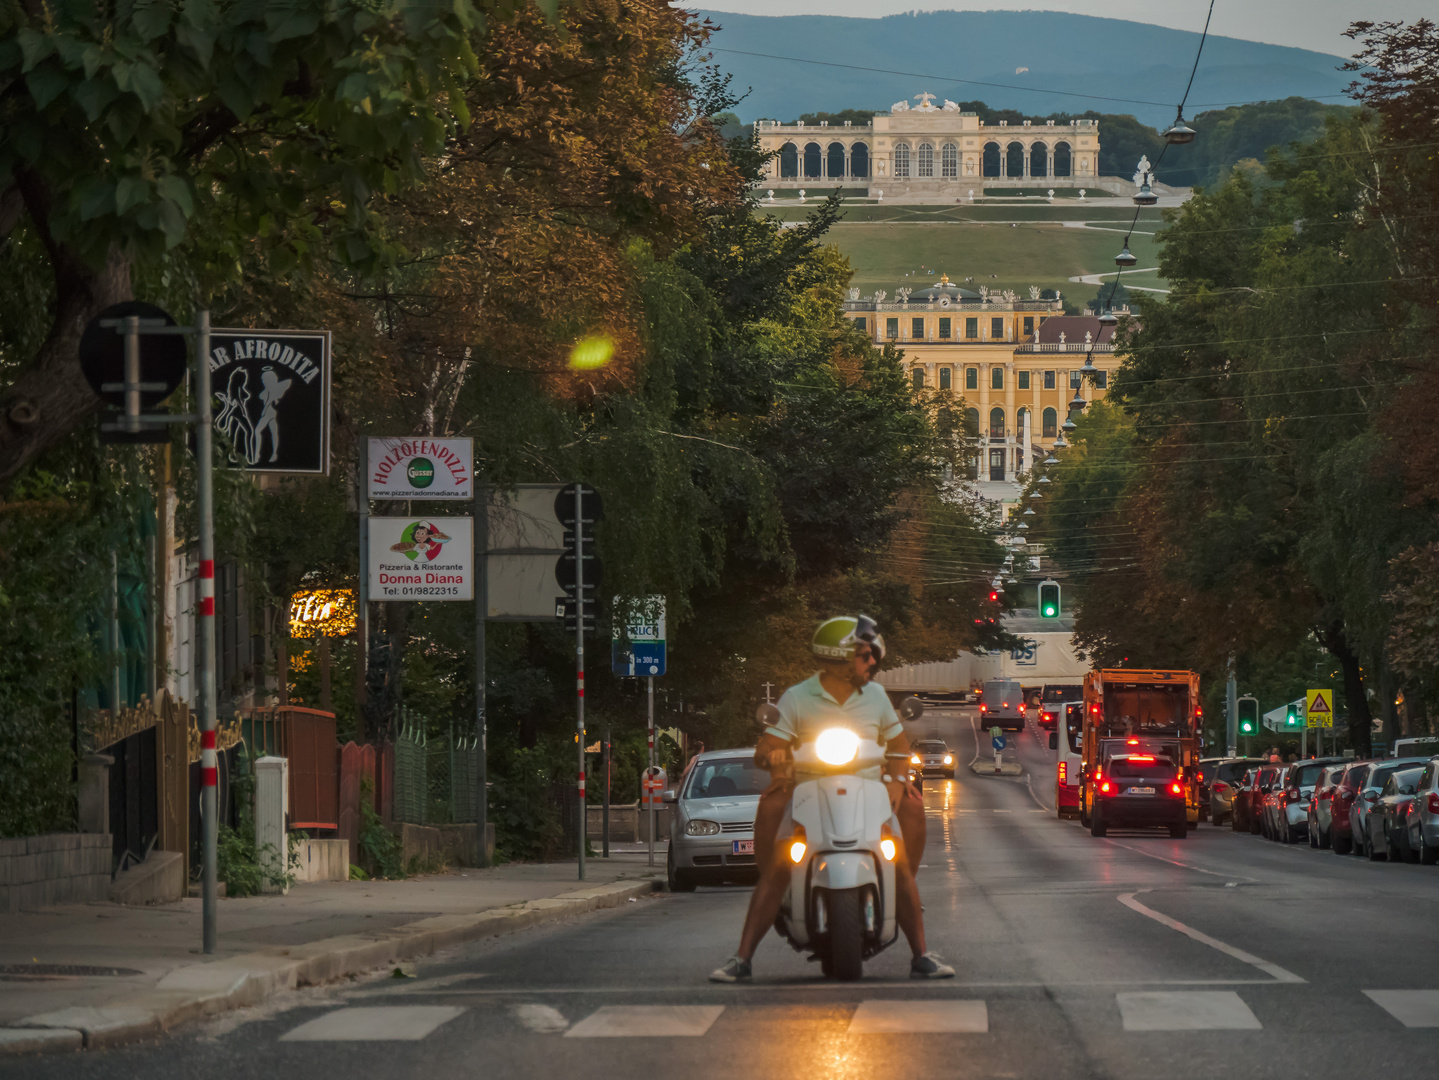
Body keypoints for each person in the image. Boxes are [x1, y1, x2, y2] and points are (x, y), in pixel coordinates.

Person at [709, 616, 954, 982]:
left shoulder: (875, 695)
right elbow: (767, 747)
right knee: (778, 862)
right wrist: (772, 757)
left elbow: (899, 747)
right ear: (835, 661)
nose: (871, 663)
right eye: (862, 656)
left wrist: (899, 780)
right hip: (809, 792)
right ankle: (742, 958)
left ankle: (921, 953)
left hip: (869, 791)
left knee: (899, 856)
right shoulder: (797, 697)